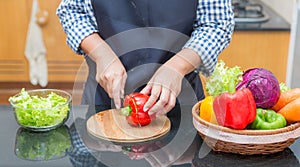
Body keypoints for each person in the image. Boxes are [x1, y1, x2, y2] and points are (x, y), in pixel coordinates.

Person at [56, 0, 235, 116]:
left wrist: (177, 67)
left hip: (180, 106)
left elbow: (216, 24)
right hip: (104, 103)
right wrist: (101, 53)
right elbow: (72, 11)